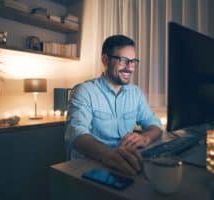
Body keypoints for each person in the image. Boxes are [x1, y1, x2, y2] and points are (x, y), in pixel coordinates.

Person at [65, 35, 162, 176]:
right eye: (123, 61)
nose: (130, 68)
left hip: (125, 163)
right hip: (89, 167)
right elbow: (76, 134)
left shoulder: (135, 93)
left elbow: (155, 125)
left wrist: (145, 137)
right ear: (105, 60)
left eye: (133, 61)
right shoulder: (84, 91)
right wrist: (108, 154)